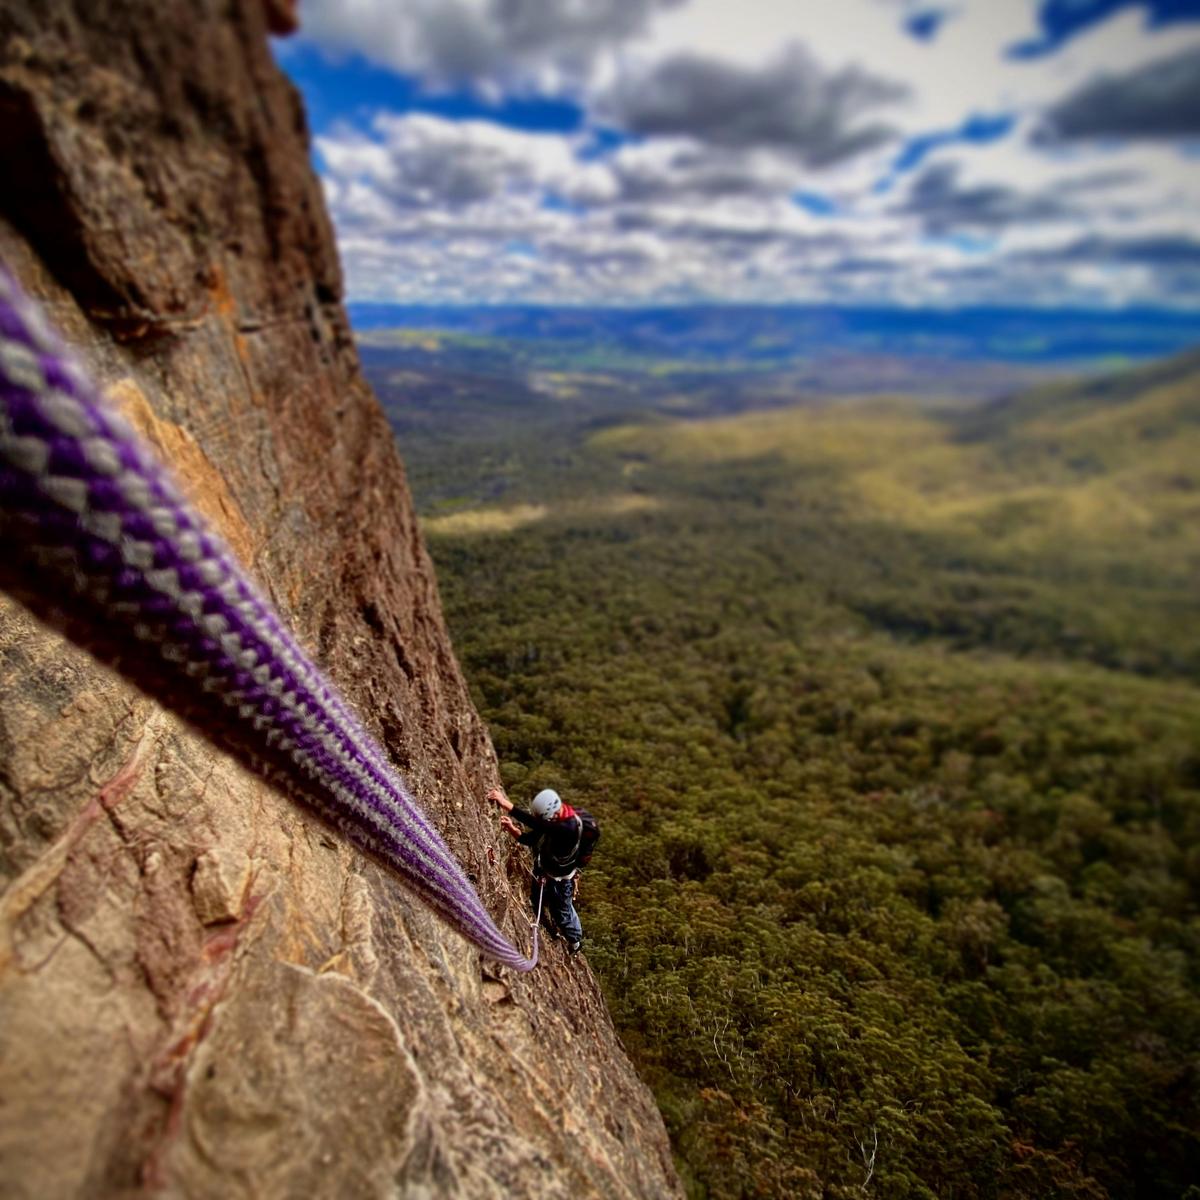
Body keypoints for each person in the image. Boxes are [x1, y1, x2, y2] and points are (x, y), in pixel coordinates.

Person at [486, 785, 599, 957]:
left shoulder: (567, 827)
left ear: (550, 816)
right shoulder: (557, 818)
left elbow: (534, 824)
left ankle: (575, 941)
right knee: (537, 896)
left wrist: (504, 803)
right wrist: (511, 829)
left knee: (562, 910)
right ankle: (542, 902)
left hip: (562, 878)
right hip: (544, 867)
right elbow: (530, 839)